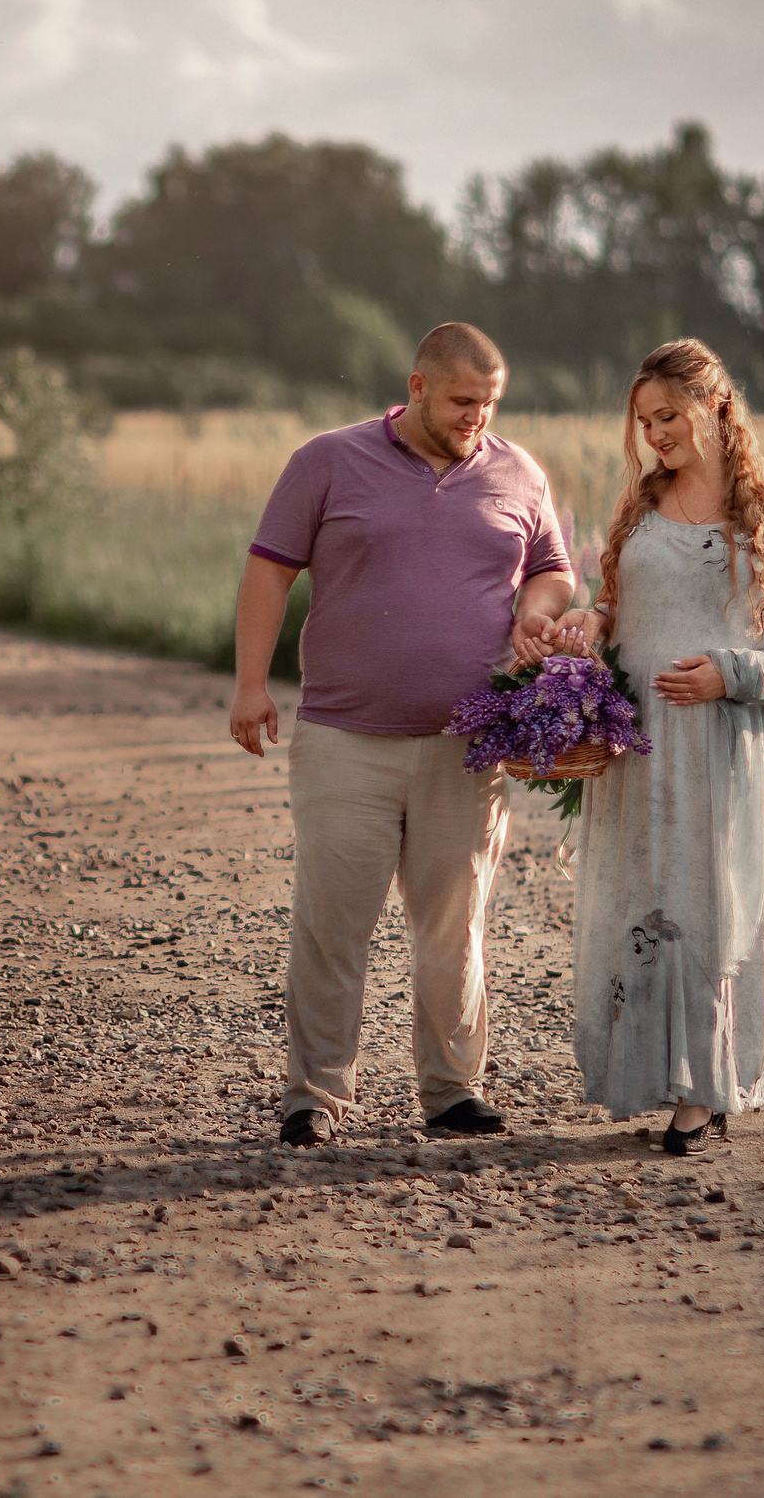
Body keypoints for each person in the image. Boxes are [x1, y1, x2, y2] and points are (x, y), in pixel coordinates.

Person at [230, 323, 576, 1145]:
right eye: (463, 401)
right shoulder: (326, 460)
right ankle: (314, 1095)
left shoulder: (518, 471)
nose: (477, 420)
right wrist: (250, 685)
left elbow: (554, 569)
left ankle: (454, 1090)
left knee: (456, 926)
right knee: (333, 920)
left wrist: (538, 609)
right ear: (416, 387)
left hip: (470, 746)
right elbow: (269, 571)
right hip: (346, 736)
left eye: (490, 405)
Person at [548, 339, 764, 1155]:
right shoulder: (639, 505)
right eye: (644, 421)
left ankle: (706, 1088)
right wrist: (593, 623)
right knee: (647, 897)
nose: (655, 434)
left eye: (669, 416)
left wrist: (735, 673)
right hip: (643, 744)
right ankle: (655, 1073)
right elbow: (620, 606)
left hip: (728, 741)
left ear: (718, 406)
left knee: (715, 902)